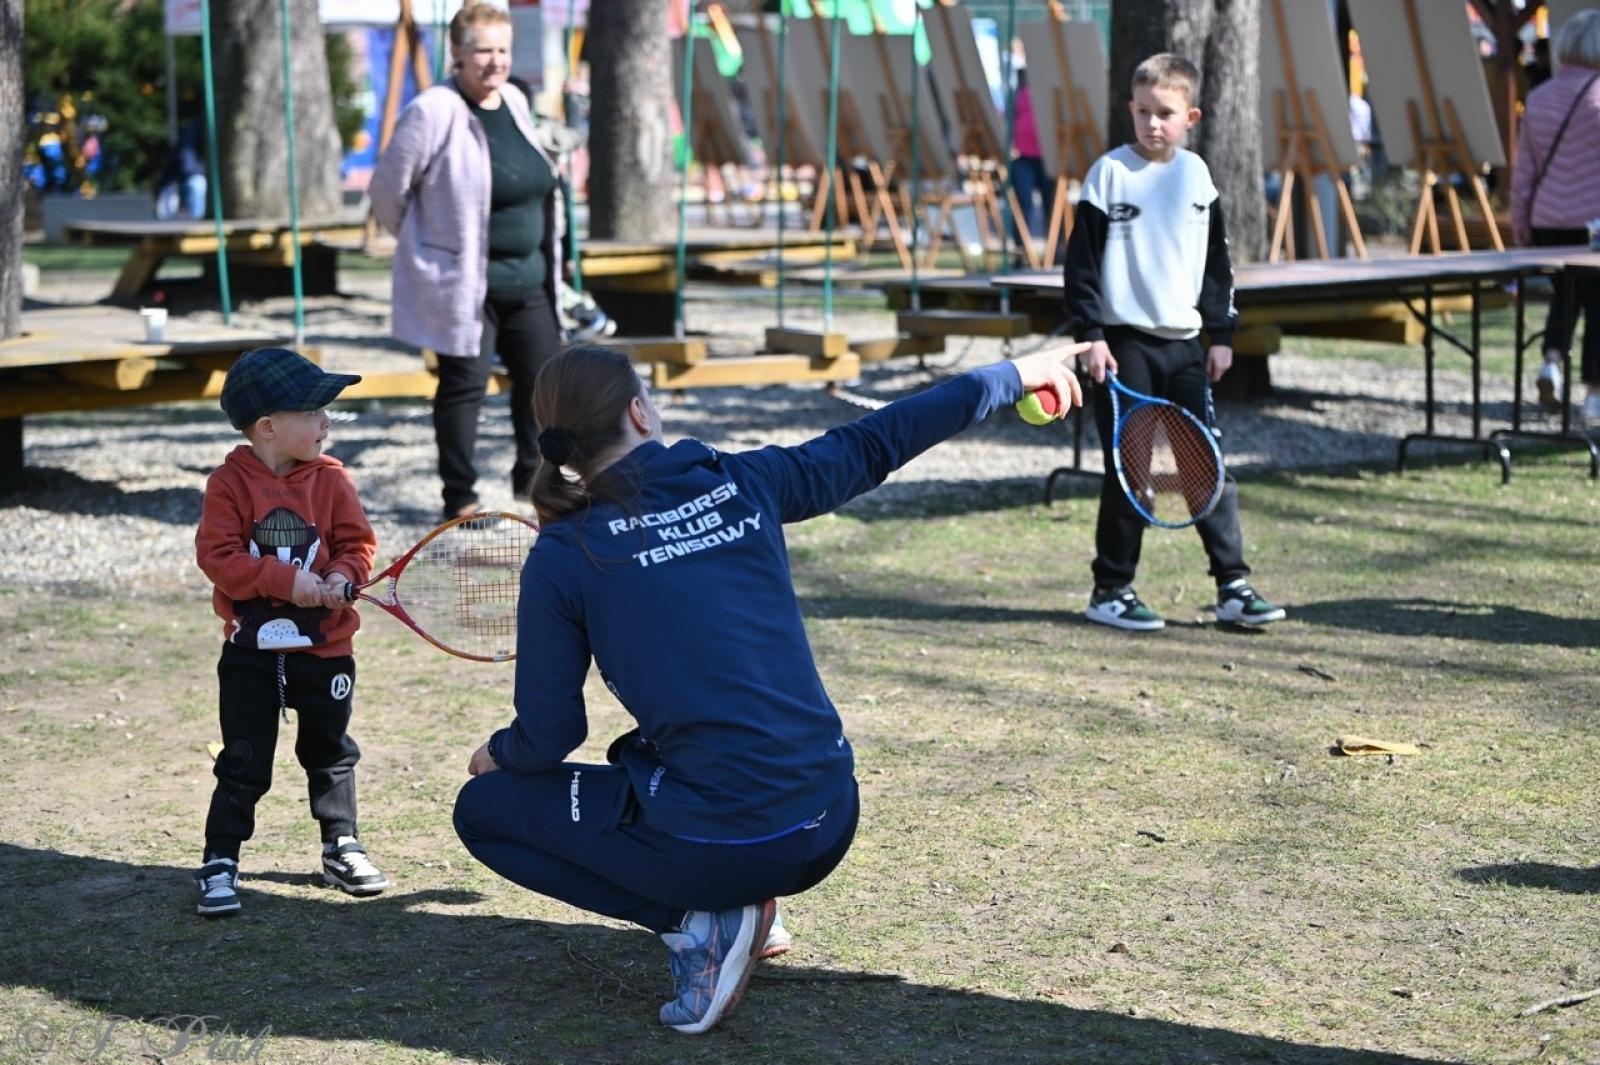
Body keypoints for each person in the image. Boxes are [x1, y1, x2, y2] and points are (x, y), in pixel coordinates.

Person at [452, 340, 1087, 1034]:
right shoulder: (742, 479)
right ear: (639, 410)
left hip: (734, 840)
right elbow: (879, 438)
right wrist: (1013, 374)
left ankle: (697, 921)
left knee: (483, 808)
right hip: (830, 815)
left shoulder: (566, 553)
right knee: (655, 756)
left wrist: (499, 752)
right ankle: (732, 905)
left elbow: (548, 737)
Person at [1062, 53, 1284, 633]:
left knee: (1203, 465)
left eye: (1164, 113)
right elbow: (1080, 266)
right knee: (1131, 471)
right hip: (1124, 347)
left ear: (1191, 116)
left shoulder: (1197, 177)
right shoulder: (1108, 175)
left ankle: (1233, 586)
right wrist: (1091, 336)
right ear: (1130, 110)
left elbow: (1217, 265)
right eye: (1142, 111)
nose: (1152, 123)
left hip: (1187, 347)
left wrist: (1222, 335)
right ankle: (1111, 589)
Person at [193, 347, 388, 917]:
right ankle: (221, 858)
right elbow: (219, 557)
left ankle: (340, 844)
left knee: (330, 751)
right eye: (314, 412)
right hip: (252, 653)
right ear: (268, 427)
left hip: (325, 650)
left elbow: (358, 546)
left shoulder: (332, 480)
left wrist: (339, 574)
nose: (327, 421)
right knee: (243, 756)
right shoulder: (228, 484)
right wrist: (288, 581)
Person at [369, 2, 566, 523]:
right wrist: (424, 243)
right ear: (457, 53)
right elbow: (388, 189)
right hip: (465, 283)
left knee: (544, 380)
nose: (495, 62)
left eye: (502, 50)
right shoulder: (434, 110)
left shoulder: (517, 100)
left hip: (529, 277)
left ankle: (536, 477)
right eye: (483, 50)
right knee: (465, 386)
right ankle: (459, 496)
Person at [1510, 11, 1600, 424]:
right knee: (1598, 306)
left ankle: (1550, 363)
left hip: (1548, 219)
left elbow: (1524, 171)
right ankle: (1595, 393)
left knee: (1563, 298)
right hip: (1594, 224)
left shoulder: (1540, 97)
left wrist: (1521, 221)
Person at [1010, 66, 1054, 247]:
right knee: (1023, 203)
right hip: (1023, 156)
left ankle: (1054, 246)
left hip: (1048, 156)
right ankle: (1020, 248)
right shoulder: (1018, 93)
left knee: (1051, 204)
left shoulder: (1047, 90)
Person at [154, 118, 207, 221]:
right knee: (197, 183)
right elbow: (185, 162)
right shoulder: (195, 129)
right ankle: (195, 224)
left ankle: (195, 223)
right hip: (175, 181)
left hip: (186, 178)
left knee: (197, 184)